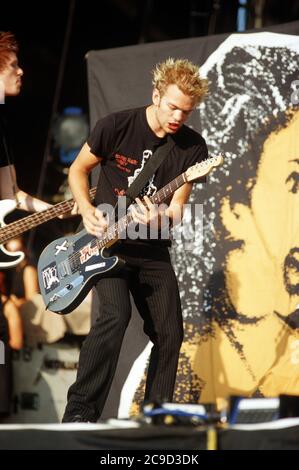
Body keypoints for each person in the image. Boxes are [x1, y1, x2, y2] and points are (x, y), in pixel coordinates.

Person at [62, 58, 209, 422]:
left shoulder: (192, 148)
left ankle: (155, 418)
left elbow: (176, 211)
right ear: (156, 95)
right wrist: (85, 208)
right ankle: (78, 418)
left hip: (152, 249)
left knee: (170, 333)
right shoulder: (116, 125)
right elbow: (78, 169)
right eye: (173, 106)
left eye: (186, 112)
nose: (178, 117)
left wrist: (159, 216)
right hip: (107, 246)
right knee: (114, 316)